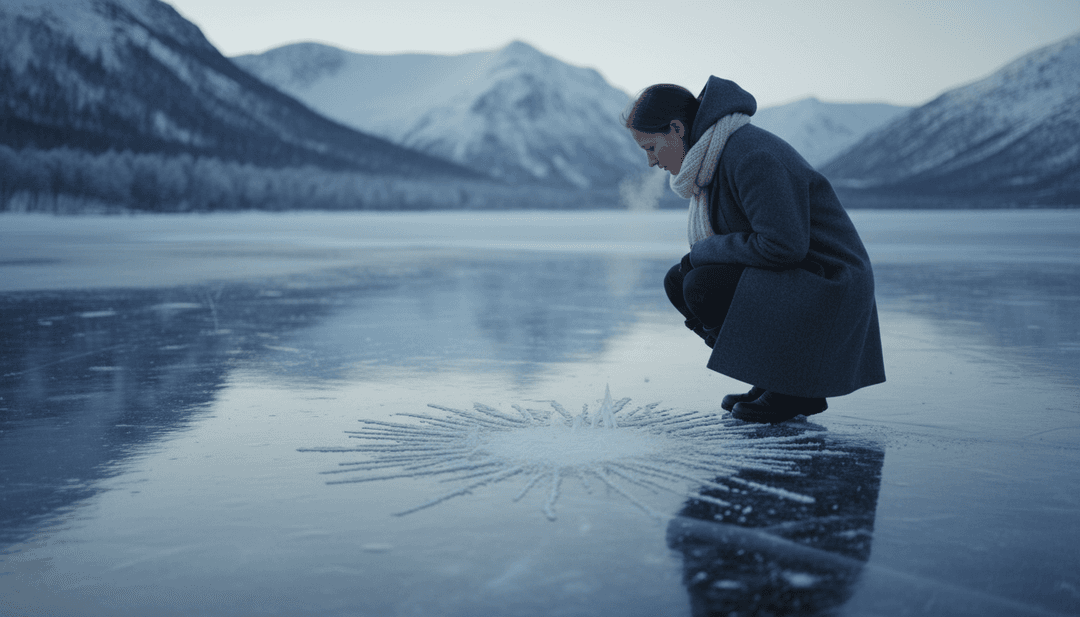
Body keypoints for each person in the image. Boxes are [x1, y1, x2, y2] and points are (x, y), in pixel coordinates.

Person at [623, 76, 885, 423]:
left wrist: (705, 251)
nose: (652, 162)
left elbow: (783, 245)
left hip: (829, 283)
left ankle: (794, 389)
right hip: (802, 277)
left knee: (701, 284)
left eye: (651, 148)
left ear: (676, 128)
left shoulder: (749, 154)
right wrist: (703, 256)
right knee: (679, 281)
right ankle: (772, 379)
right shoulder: (713, 157)